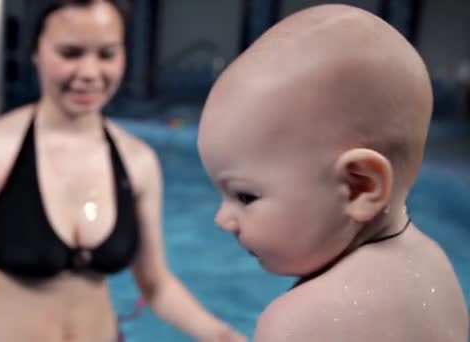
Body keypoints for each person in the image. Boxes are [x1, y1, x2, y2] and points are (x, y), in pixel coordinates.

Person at [0, 1, 245, 341]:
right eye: (70, 53)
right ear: (36, 52)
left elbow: (156, 285)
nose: (89, 73)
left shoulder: (138, 163)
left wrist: (220, 335)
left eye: (106, 54)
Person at [197, 4, 468, 342]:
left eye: (245, 196)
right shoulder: (436, 271)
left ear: (359, 186)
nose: (222, 219)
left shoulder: (298, 321)